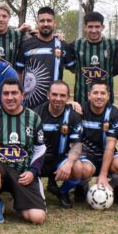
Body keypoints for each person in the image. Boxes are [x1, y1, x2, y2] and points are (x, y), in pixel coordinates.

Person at [0, 78, 47, 225]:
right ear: (1, 96)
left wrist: (33, 171)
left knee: (38, 218)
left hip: (22, 174)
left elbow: (40, 149)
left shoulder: (34, 118)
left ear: (22, 95)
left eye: (14, 93)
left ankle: (17, 203)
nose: (10, 97)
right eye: (6, 93)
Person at [32, 80, 83, 209]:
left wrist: (69, 163)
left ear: (68, 97)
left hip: (60, 159)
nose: (58, 99)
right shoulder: (35, 114)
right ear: (48, 95)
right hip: (40, 159)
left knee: (77, 168)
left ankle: (62, 192)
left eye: (62, 95)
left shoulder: (74, 116)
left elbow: (77, 145)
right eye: (54, 95)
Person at [15, 6, 75, 109]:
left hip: (55, 105)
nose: (46, 24)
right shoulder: (25, 45)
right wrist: (21, 93)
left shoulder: (63, 46)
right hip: (30, 104)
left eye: (49, 21)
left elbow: (74, 70)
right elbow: (18, 72)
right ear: (37, 23)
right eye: (42, 21)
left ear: (54, 23)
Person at [81, 82, 118, 200]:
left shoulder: (114, 113)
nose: (99, 96)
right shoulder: (80, 110)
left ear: (108, 96)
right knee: (82, 170)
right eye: (95, 93)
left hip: (107, 153)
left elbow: (110, 146)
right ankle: (82, 187)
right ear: (89, 95)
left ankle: (111, 187)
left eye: (103, 93)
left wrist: (103, 174)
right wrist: (71, 104)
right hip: (87, 155)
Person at [71, 12, 118, 104]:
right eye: (90, 27)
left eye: (97, 26)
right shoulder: (76, 45)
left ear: (103, 27)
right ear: (85, 27)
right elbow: (59, 47)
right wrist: (56, 36)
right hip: (81, 101)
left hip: (105, 102)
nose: (94, 30)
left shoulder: (113, 44)